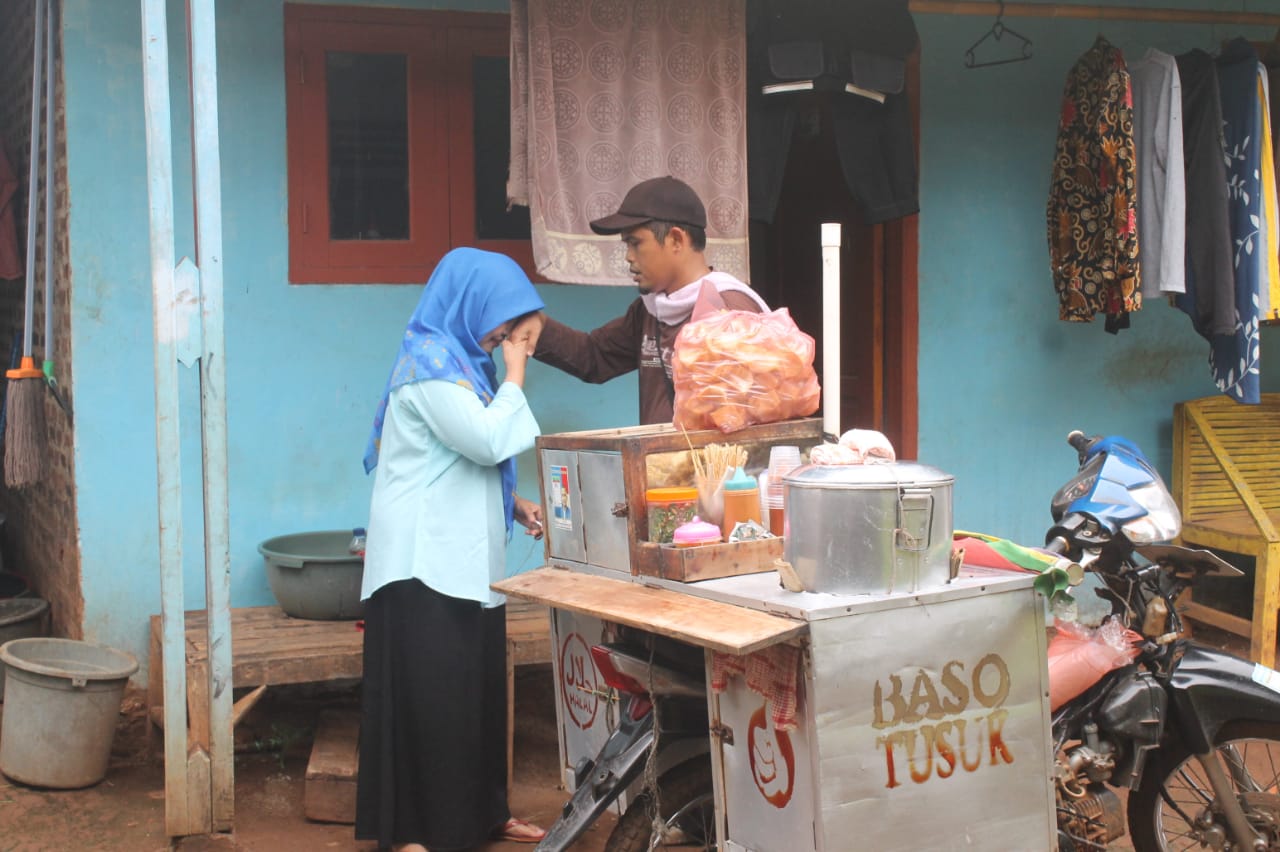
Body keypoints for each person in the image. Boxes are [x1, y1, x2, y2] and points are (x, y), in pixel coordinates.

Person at [356, 247, 548, 851]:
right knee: (431, 702)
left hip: (461, 560)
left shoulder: (463, 364)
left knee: (475, 696)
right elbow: (488, 439)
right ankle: (413, 832)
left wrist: (513, 502)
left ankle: (484, 814)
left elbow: (455, 455)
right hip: (423, 565)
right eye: (503, 326)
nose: (502, 340)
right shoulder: (431, 364)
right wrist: (516, 377)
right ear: (470, 304)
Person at [520, 175, 769, 425]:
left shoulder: (729, 309)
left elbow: (755, 410)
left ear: (676, 240)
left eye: (635, 243)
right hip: (657, 464)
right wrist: (538, 326)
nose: (628, 257)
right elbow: (594, 356)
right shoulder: (650, 311)